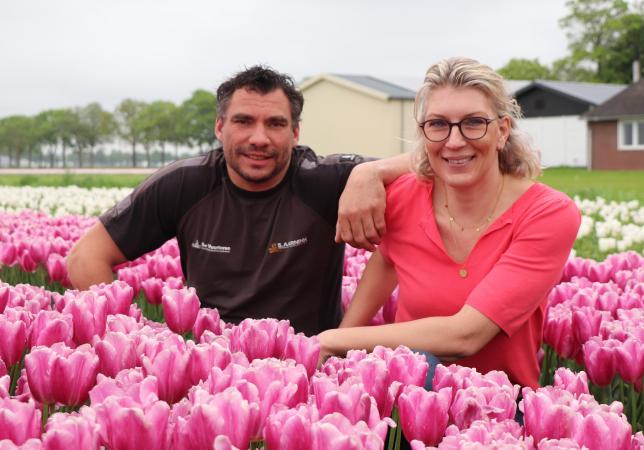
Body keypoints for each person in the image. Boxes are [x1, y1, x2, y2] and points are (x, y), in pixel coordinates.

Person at [66, 65, 410, 336]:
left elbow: (433, 162)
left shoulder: (323, 180)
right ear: (219, 127)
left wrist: (370, 173)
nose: (258, 138)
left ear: (295, 133)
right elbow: (86, 257)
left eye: (275, 124)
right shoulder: (184, 184)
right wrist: (132, 335)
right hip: (212, 369)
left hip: (307, 368)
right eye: (243, 121)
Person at [318, 57, 581, 387]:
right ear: (423, 133)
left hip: (498, 409)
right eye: (438, 124)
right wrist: (339, 347)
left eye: (473, 123)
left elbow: (466, 336)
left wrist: (329, 340)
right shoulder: (402, 197)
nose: (454, 141)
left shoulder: (547, 213)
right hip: (405, 398)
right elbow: (387, 260)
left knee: (420, 361)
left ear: (502, 131)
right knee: (415, 364)